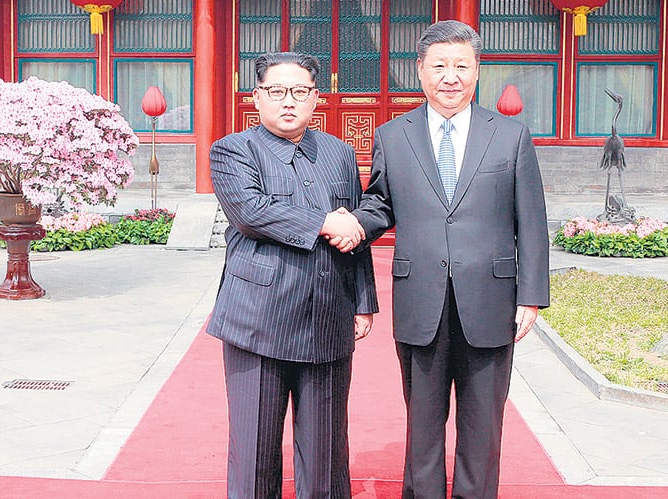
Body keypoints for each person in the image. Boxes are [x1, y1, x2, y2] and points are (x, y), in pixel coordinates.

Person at [349, 20, 550, 498]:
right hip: (421, 298)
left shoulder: (511, 135)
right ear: (419, 71)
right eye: (438, 65)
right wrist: (352, 224)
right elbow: (381, 203)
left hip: (491, 299)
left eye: (461, 65)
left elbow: (533, 220)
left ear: (477, 71)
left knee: (484, 425)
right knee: (422, 424)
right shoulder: (392, 136)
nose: (450, 76)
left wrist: (533, 295)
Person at [207, 51, 378, 499]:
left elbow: (354, 225)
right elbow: (251, 212)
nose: (289, 102)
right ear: (256, 97)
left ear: (316, 97)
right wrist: (324, 222)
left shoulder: (339, 153)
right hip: (257, 319)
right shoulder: (232, 150)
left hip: (327, 316)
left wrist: (363, 301)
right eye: (277, 91)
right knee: (255, 450)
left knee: (325, 452)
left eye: (300, 92)